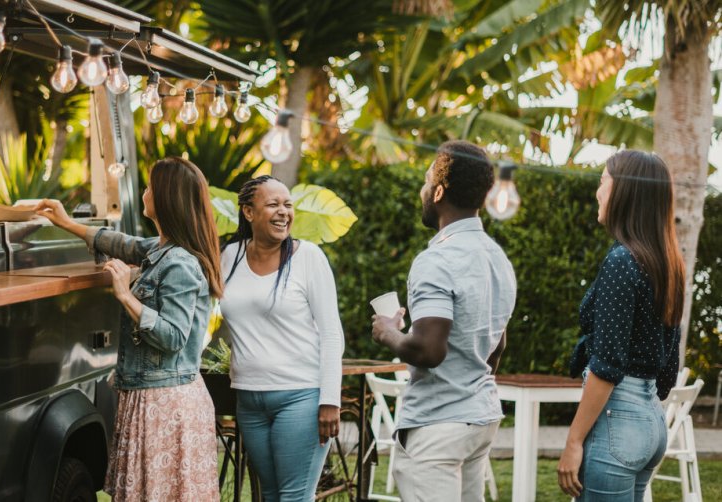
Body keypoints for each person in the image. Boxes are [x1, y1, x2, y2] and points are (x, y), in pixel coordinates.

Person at [34, 157, 223, 501]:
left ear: (166, 198)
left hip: (165, 402)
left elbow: (173, 337)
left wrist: (124, 294)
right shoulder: (161, 250)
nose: (145, 192)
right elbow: (119, 243)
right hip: (155, 397)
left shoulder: (179, 263)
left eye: (150, 186)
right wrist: (65, 222)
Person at [370, 140, 516, 502]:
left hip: (438, 427)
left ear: (437, 192)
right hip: (479, 418)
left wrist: (389, 332)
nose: (421, 190)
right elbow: (498, 343)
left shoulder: (436, 260)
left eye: (425, 182)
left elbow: (429, 349)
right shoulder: (497, 258)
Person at [557, 150, 684, 500]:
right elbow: (668, 368)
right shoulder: (668, 263)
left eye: (602, 182)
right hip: (651, 422)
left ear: (626, 191)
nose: (597, 192)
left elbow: (608, 366)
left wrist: (573, 441)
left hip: (618, 419)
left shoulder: (622, 261)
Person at [216, 175, 344, 501]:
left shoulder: (309, 257)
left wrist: (330, 400)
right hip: (249, 401)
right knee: (270, 496)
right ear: (248, 212)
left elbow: (331, 332)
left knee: (294, 497)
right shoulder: (228, 257)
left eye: (288, 204)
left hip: (299, 398)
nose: (283, 212)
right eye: (273, 204)